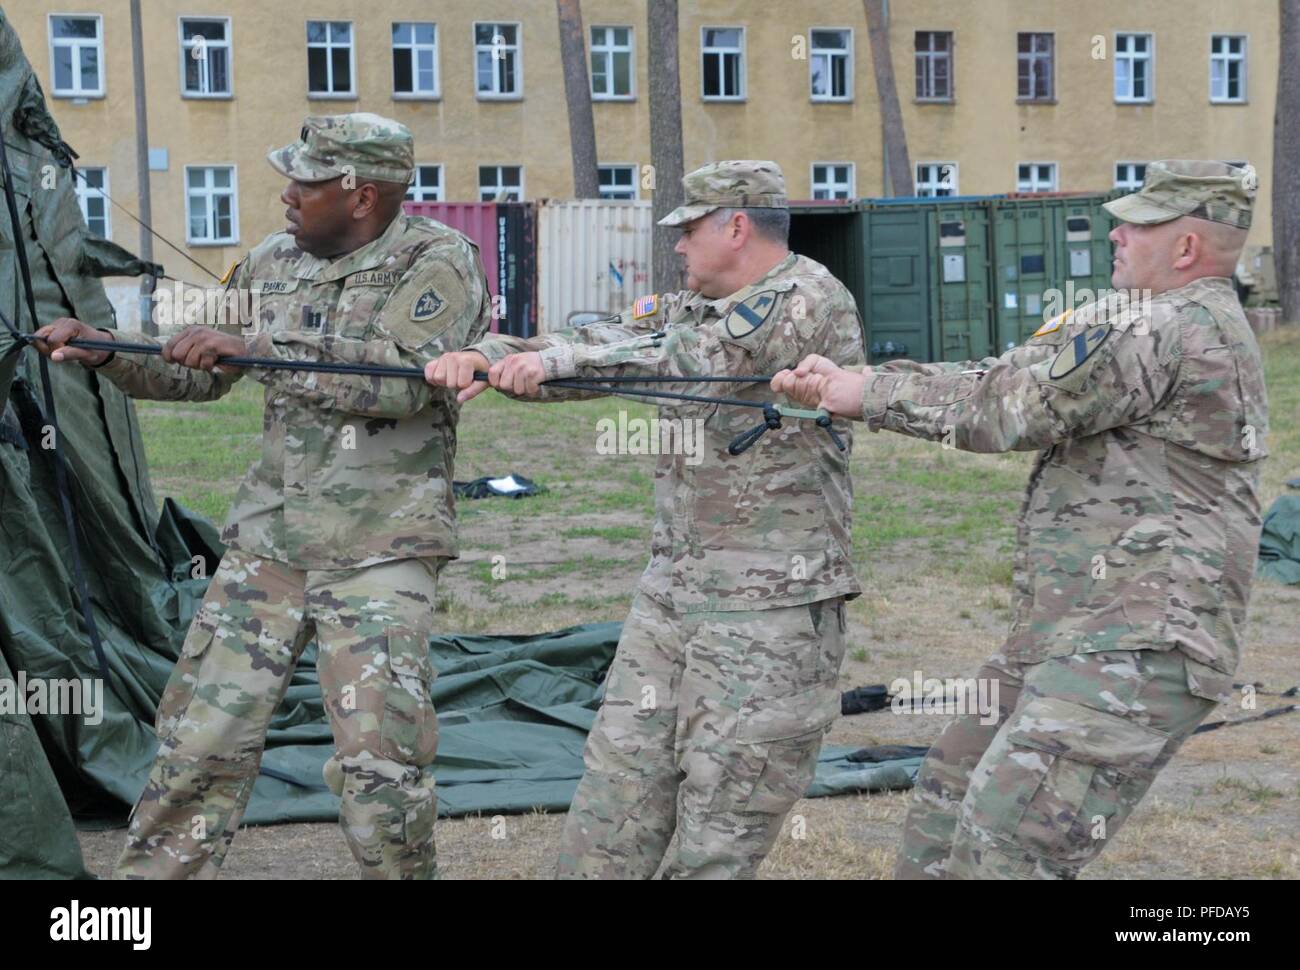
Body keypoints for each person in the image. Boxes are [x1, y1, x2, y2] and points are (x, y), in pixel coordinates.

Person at [771, 160, 1269, 879]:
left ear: (1185, 248)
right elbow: (1000, 376)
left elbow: (1011, 413)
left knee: (1003, 850)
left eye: (1137, 223)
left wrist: (866, 394)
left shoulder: (1169, 327)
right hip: (1071, 633)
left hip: (1136, 644)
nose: (1116, 231)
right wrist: (856, 384)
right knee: (945, 796)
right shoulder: (1139, 321)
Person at [34, 112, 492, 879]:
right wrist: (110, 352)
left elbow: (405, 383)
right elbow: (197, 371)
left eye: (306, 183)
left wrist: (263, 349)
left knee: (380, 767)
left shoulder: (439, 261)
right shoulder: (271, 261)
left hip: (380, 550)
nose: (287, 195)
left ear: (362, 195)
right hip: (269, 545)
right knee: (196, 742)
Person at [428, 161, 865, 879]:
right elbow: (607, 336)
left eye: (688, 230)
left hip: (770, 608)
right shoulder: (697, 306)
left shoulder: (802, 301)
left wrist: (558, 365)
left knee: (720, 827)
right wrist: (492, 355)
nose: (679, 248)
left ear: (735, 225)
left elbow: (673, 363)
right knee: (614, 793)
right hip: (673, 592)